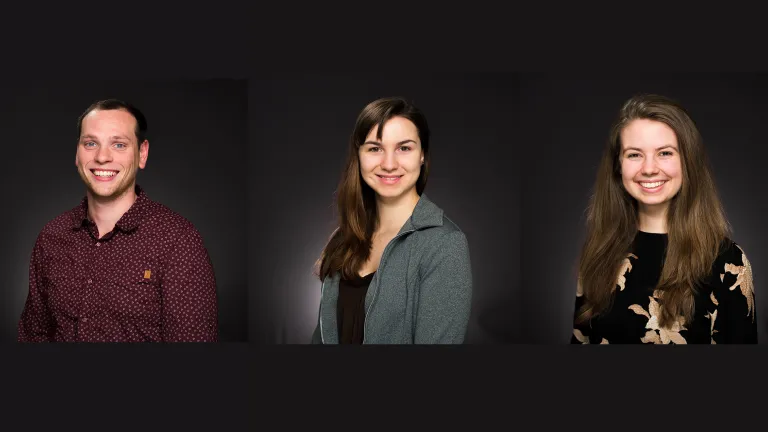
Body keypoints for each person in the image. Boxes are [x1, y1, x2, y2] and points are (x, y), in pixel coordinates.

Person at [18, 99, 219, 342]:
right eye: (91, 143)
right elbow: (33, 335)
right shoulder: (52, 235)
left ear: (142, 154)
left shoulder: (177, 240)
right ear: (77, 153)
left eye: (119, 144)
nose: (102, 157)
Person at [571, 94, 756, 344]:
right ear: (618, 166)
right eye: (634, 154)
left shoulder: (728, 263)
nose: (649, 168)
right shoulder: (597, 254)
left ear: (687, 162)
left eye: (665, 153)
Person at [310, 97, 473, 344]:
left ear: (422, 155)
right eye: (375, 148)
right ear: (359, 156)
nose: (388, 164)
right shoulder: (343, 238)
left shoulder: (445, 245)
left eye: (404, 148)